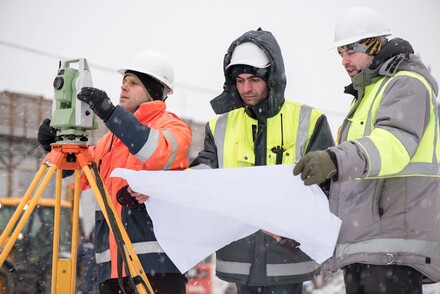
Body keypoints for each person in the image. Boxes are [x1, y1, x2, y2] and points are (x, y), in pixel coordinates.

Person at [293, 6, 440, 294]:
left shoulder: (406, 83)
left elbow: (394, 144)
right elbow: (361, 169)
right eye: (341, 54)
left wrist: (335, 159)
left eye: (351, 51)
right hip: (364, 244)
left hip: (394, 244)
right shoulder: (367, 94)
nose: (344, 61)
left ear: (374, 45)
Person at [190, 28, 334, 294]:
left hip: (289, 255)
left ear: (272, 77)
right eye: (240, 80)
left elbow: (327, 189)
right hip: (239, 255)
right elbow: (204, 173)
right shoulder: (219, 126)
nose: (246, 88)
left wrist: (301, 230)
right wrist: (182, 182)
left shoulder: (309, 121)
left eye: (254, 79)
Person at [38, 49, 192, 293]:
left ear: (154, 91)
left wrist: (112, 115)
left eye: (133, 83)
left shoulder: (173, 127)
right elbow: (80, 178)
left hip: (158, 269)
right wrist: (54, 147)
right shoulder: (110, 141)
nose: (123, 88)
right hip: (111, 269)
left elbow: (156, 152)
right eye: (123, 81)